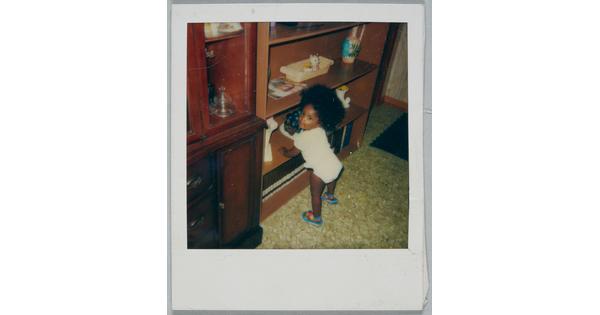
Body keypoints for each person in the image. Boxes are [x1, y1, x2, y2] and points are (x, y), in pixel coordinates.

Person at [278, 84, 346, 227]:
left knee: (315, 194)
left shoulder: (303, 138)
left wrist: (284, 152)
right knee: (331, 177)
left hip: (319, 171)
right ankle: (330, 195)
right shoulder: (320, 129)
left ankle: (316, 218)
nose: (302, 119)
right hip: (333, 163)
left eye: (309, 118)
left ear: (319, 122)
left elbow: (293, 153)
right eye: (303, 113)